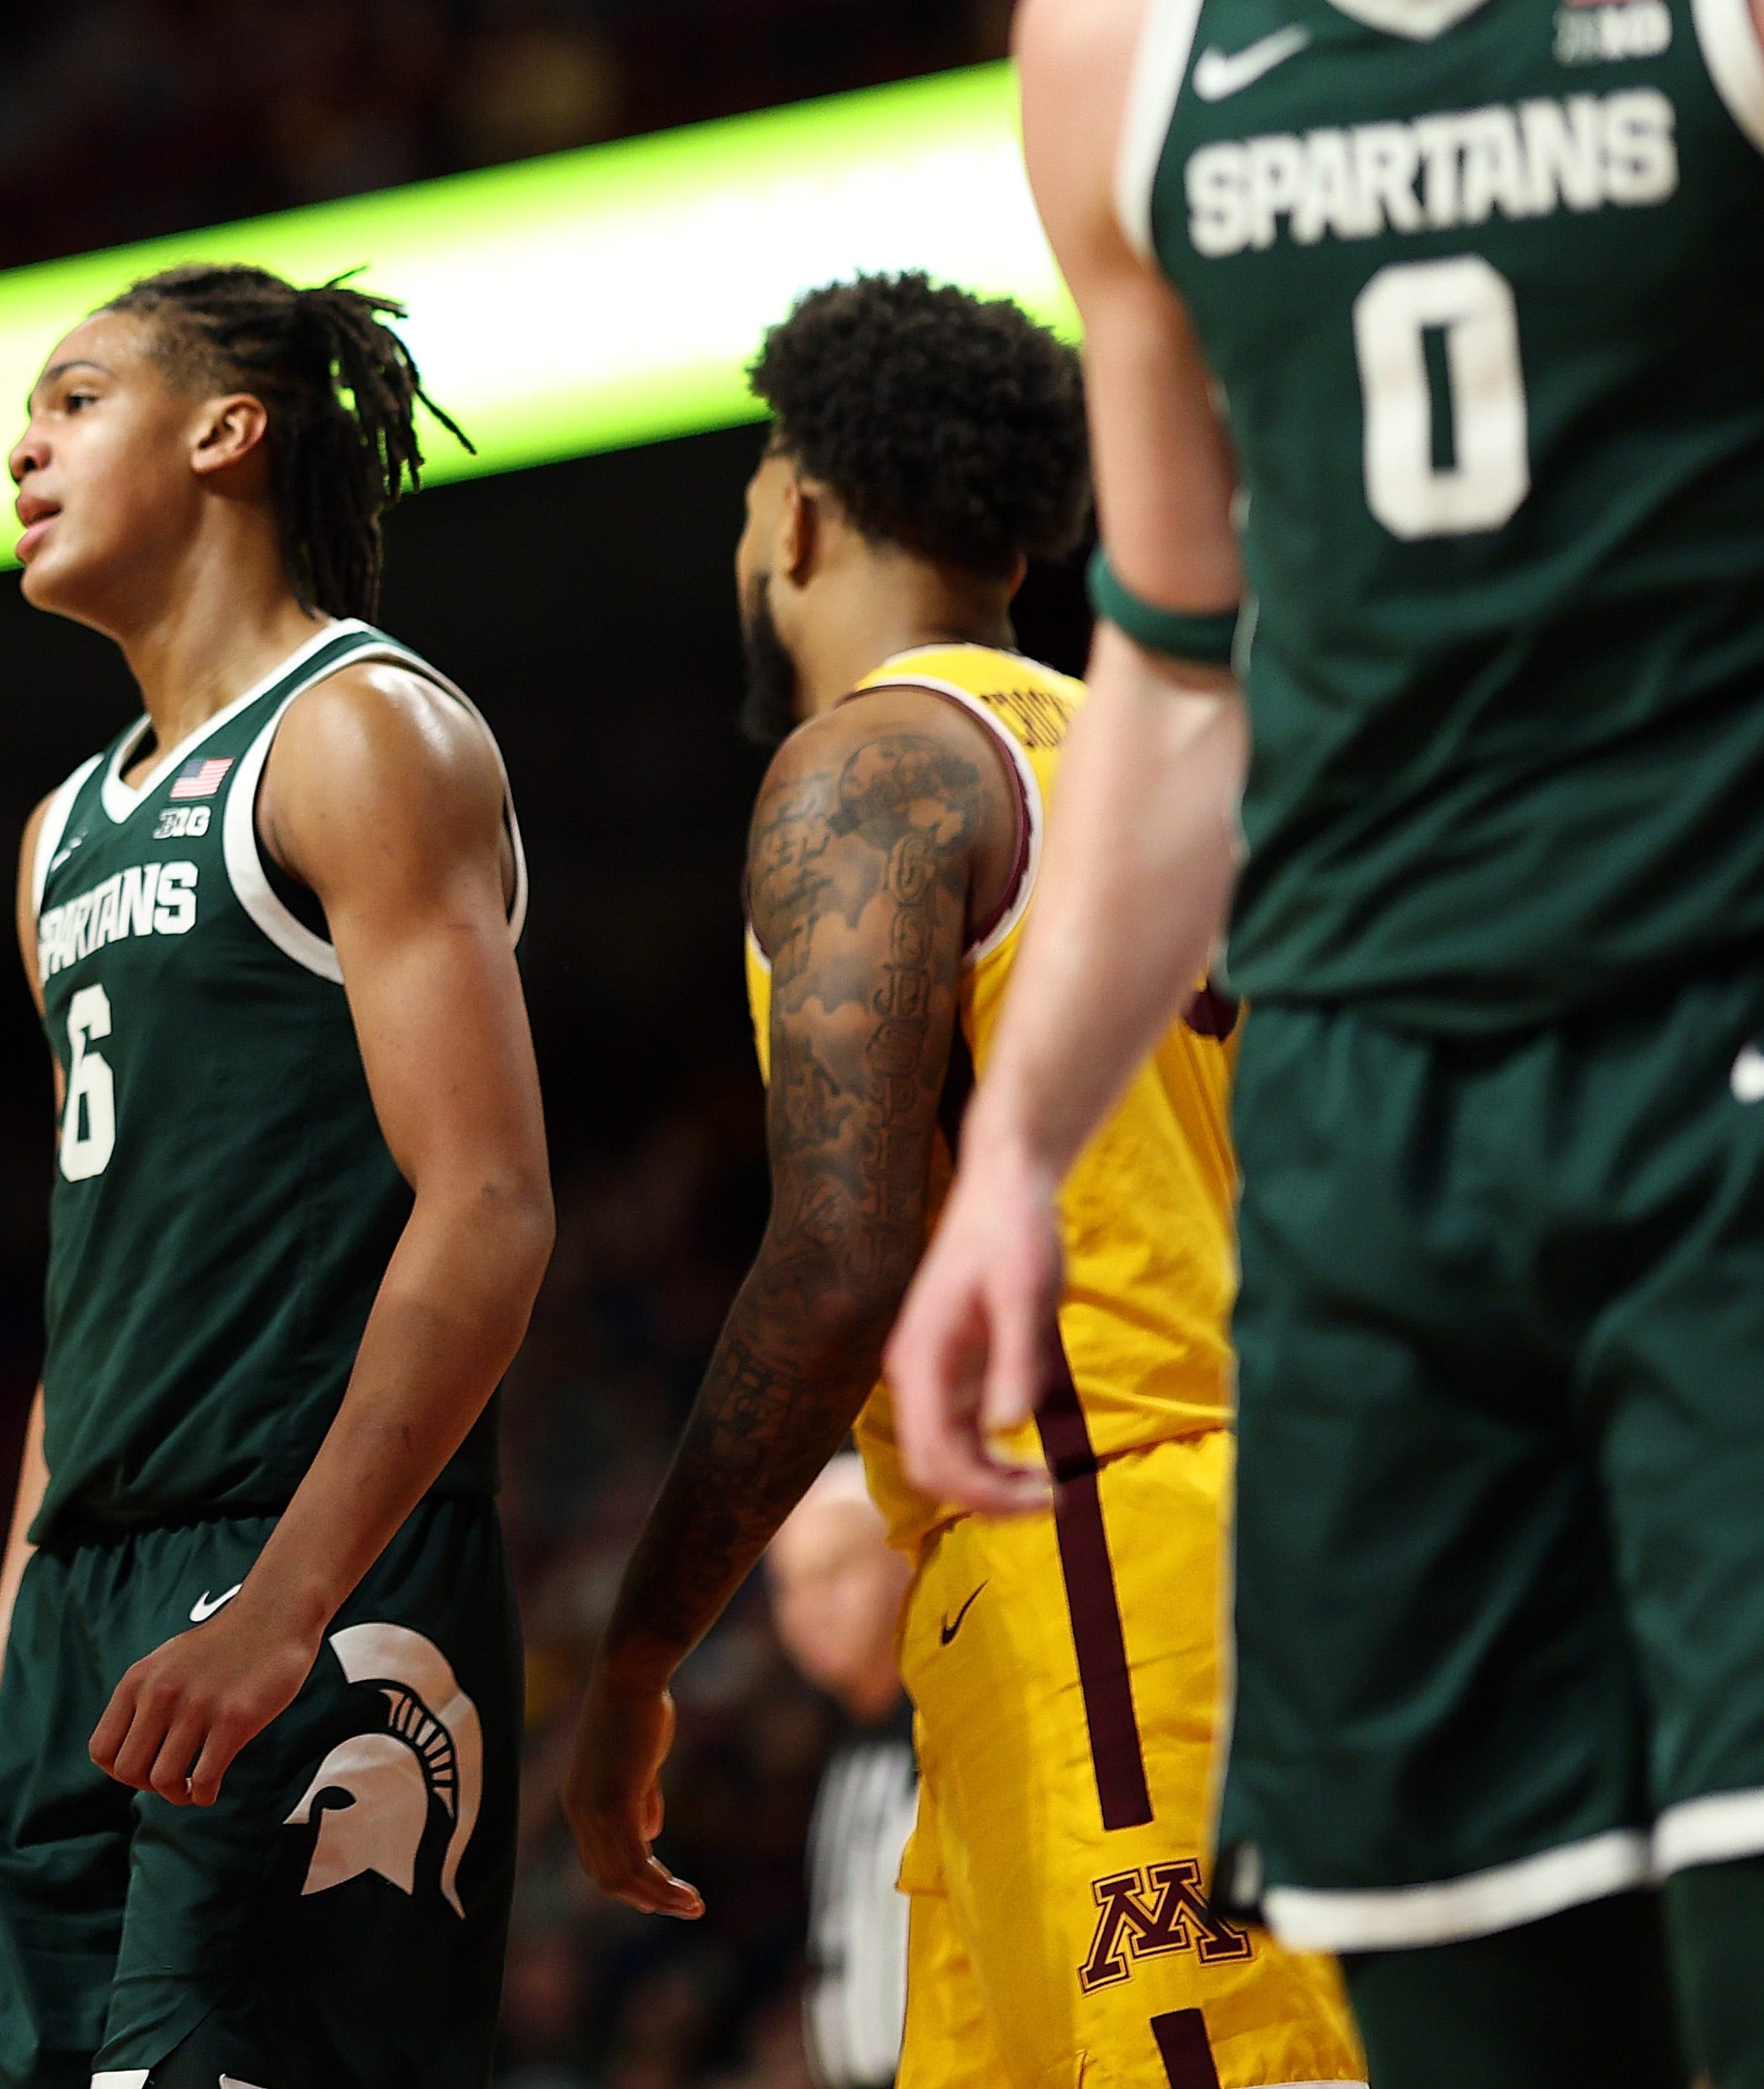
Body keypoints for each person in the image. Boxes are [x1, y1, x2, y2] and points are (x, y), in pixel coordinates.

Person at [883, 0, 1764, 2084]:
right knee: (1455, 1991)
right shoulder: (1120, 35)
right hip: (1371, 1132)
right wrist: (1018, 1156)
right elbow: (1182, 676)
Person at [560, 271, 1356, 2088]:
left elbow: (841, 1259)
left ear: (797, 509)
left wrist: (636, 1651)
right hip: (1204, 1547)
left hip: (1102, 1550)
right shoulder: (1174, 762)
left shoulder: (875, 766)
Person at [0, 268, 546, 2089]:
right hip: (91, 1598)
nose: (21, 441)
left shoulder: (361, 731)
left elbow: (491, 1205)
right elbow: (88, 1315)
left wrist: (279, 1603)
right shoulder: (61, 829)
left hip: (314, 1558)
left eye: (74, 396)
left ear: (225, 429)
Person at [769, 1461, 920, 2089]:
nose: (809, 1609)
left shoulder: (953, 1734)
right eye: (788, 1584)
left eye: (836, 1571)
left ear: (905, 1563)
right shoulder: (845, 1745)